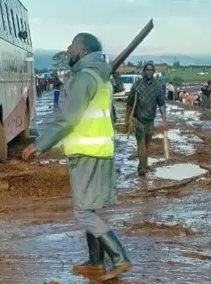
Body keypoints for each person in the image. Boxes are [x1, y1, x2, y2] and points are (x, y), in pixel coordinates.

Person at [21, 33, 132, 281]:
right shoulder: (100, 77)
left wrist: (40, 145)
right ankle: (96, 262)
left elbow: (69, 119)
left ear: (82, 51)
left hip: (86, 152)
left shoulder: (84, 78)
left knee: (83, 212)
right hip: (99, 149)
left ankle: (119, 257)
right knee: (88, 207)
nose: (68, 48)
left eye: (72, 45)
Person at [127, 62, 166, 177]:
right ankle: (142, 167)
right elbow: (129, 103)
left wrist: (164, 119)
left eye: (151, 70)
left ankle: (143, 163)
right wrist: (128, 119)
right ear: (144, 71)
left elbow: (161, 104)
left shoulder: (157, 86)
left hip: (150, 119)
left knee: (147, 143)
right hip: (139, 119)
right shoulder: (137, 85)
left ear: (153, 72)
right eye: (147, 70)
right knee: (141, 143)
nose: (149, 72)